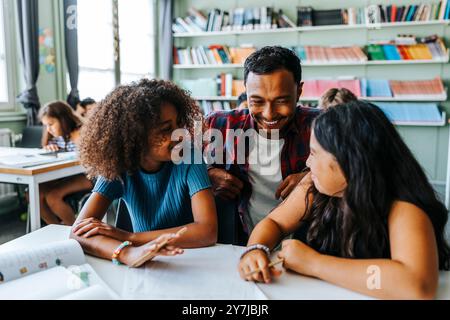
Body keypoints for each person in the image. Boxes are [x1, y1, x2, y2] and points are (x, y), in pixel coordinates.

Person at [238, 101, 450, 299]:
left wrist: (314, 264)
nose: (308, 163)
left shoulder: (404, 208)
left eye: (314, 153)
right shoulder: (314, 185)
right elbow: (274, 222)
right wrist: (256, 248)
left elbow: (417, 286)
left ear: (349, 162)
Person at [70, 79, 217, 267]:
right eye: (166, 129)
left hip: (188, 259)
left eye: (179, 123)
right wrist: (126, 253)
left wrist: (130, 237)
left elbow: (207, 231)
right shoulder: (119, 165)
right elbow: (77, 233)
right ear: (136, 137)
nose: (180, 134)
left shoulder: (189, 155)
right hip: (145, 264)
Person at [205, 46, 319, 243]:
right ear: (246, 91)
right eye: (256, 101)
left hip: (307, 244)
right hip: (240, 243)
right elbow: (174, 163)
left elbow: (358, 168)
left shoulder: (322, 127)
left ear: (299, 91)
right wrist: (206, 175)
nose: (269, 114)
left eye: (281, 101)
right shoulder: (219, 124)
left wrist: (313, 177)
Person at [38, 101, 94, 225]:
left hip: (89, 176)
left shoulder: (81, 132)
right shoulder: (55, 136)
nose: (48, 129)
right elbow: (51, 151)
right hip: (64, 175)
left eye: (51, 124)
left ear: (63, 120)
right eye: (46, 125)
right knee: (35, 194)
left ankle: (74, 231)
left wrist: (78, 140)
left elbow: (92, 160)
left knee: (53, 196)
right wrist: (49, 148)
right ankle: (55, 228)